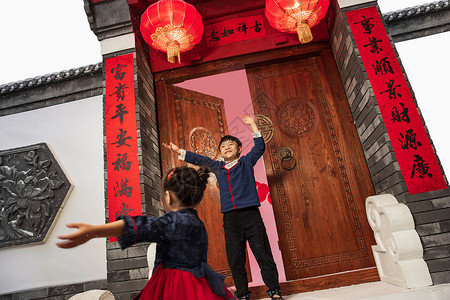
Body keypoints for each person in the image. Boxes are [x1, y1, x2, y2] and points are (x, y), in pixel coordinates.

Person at [57, 166, 234, 300]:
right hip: (201, 282)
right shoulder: (198, 224)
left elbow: (139, 225)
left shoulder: (173, 222)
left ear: (168, 197)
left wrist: (93, 231)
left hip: (175, 285)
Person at [163, 114, 283, 300]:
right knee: (235, 259)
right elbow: (199, 159)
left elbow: (260, 147)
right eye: (223, 146)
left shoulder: (246, 162)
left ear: (239, 149)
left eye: (230, 145)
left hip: (251, 216)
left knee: (263, 254)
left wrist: (252, 124)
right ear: (220, 152)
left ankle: (274, 291)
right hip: (230, 219)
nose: (226, 148)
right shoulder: (218, 167)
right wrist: (180, 151)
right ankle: (242, 294)